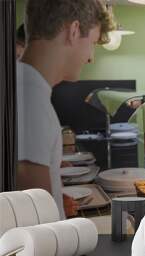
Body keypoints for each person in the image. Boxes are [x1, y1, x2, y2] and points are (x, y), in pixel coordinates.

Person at [16, 0, 115, 218]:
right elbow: (34, 222)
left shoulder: (24, 88)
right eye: (92, 43)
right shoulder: (30, 99)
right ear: (74, 31)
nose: (90, 57)